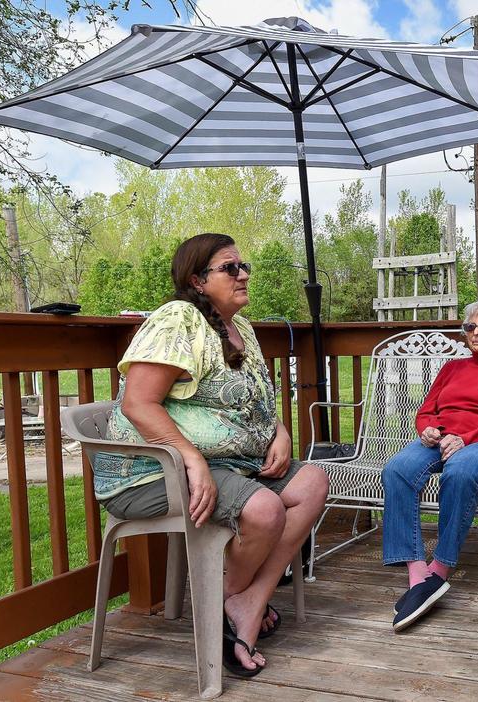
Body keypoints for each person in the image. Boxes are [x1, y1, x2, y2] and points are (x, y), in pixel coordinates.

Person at [91, 233, 329, 677]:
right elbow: (138, 403)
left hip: (229, 464)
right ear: (197, 280)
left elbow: (255, 402)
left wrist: (279, 432)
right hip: (149, 470)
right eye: (229, 268)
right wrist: (191, 458)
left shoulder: (243, 329)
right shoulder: (177, 320)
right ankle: (231, 603)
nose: (243, 275)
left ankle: (246, 599)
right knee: (265, 511)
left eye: (244, 266)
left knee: (313, 482)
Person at [383, 299, 478, 632]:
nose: (476, 333)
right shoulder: (452, 369)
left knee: (460, 471)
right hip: (441, 439)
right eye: (470, 327)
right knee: (397, 469)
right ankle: (418, 575)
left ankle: (440, 568)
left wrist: (466, 438)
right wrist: (427, 430)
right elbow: (426, 410)